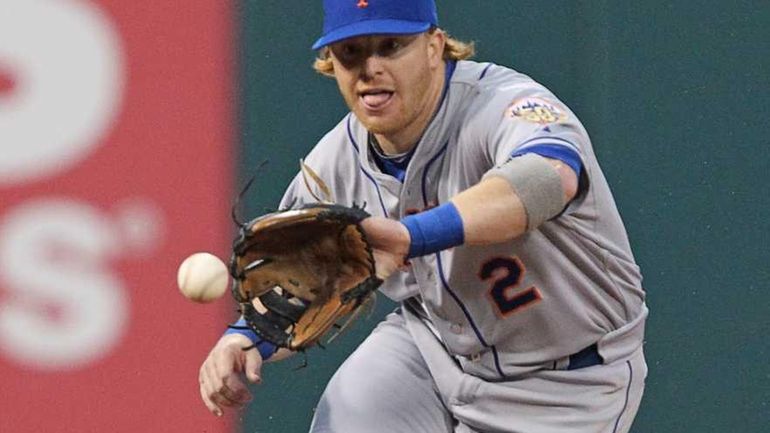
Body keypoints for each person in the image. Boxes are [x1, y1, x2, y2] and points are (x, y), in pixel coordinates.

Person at [199, 0, 648, 431]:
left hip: (568, 380)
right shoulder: (333, 165)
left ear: (434, 47)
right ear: (329, 62)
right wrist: (243, 338)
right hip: (432, 349)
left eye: (390, 46)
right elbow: (295, 284)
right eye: (350, 51)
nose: (370, 67)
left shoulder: (501, 105)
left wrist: (411, 235)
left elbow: (550, 180)